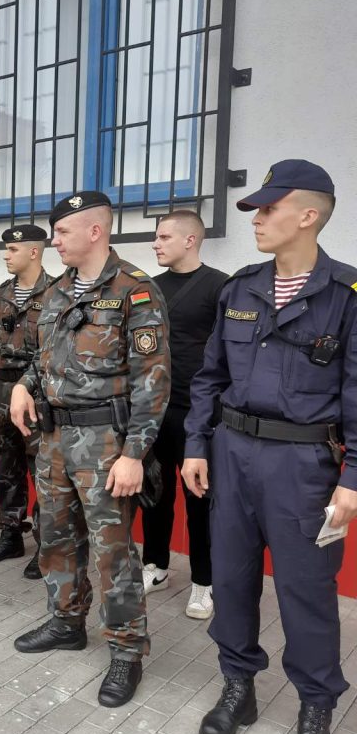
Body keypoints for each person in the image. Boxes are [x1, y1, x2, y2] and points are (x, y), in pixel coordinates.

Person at [182, 159, 357, 734]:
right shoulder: (242, 287)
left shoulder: (346, 295)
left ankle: (315, 706)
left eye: (268, 208)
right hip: (232, 455)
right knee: (230, 578)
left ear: (307, 215)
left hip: (304, 466)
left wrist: (353, 478)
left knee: (306, 590)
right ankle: (239, 685)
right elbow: (210, 377)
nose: (255, 218)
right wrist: (197, 444)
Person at [10, 192, 170, 708]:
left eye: (62, 232)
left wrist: (134, 454)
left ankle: (126, 651)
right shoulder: (57, 291)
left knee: (112, 551)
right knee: (55, 536)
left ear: (95, 231)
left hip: (106, 443)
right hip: (54, 438)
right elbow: (42, 358)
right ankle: (66, 621)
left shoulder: (135, 292)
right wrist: (22, 386)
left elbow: (154, 381)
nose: (53, 241)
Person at [141, 211, 227, 619]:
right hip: (156, 408)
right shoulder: (149, 288)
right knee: (155, 492)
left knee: (199, 500)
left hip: (199, 412)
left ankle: (203, 584)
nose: (156, 244)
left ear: (190, 240)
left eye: (163, 237)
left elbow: (229, 354)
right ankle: (155, 566)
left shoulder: (219, 287)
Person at [0, 224, 54, 579]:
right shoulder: (1, 293)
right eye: (6, 249)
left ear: (33, 252)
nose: (6, 256)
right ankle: (11, 533)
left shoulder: (58, 293)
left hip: (35, 393)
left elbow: (53, 353)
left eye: (12, 250)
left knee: (42, 469)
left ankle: (46, 545)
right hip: (2, 390)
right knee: (6, 464)